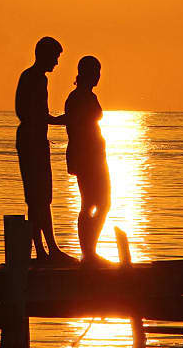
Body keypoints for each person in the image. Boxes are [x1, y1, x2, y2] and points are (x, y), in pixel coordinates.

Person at [15, 36, 71, 263]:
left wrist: (54, 121)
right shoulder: (33, 78)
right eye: (55, 57)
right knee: (38, 198)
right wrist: (61, 121)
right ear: (45, 55)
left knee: (40, 198)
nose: (57, 63)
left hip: (35, 140)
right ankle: (47, 251)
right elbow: (28, 113)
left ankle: (42, 251)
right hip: (32, 142)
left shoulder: (36, 78)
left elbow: (36, 114)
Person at [64, 55, 110, 267]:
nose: (98, 76)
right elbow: (74, 126)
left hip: (97, 157)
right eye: (95, 72)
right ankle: (88, 253)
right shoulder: (76, 98)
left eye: (99, 72)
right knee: (89, 203)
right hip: (86, 158)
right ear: (85, 74)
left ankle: (91, 250)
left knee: (103, 203)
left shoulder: (90, 96)